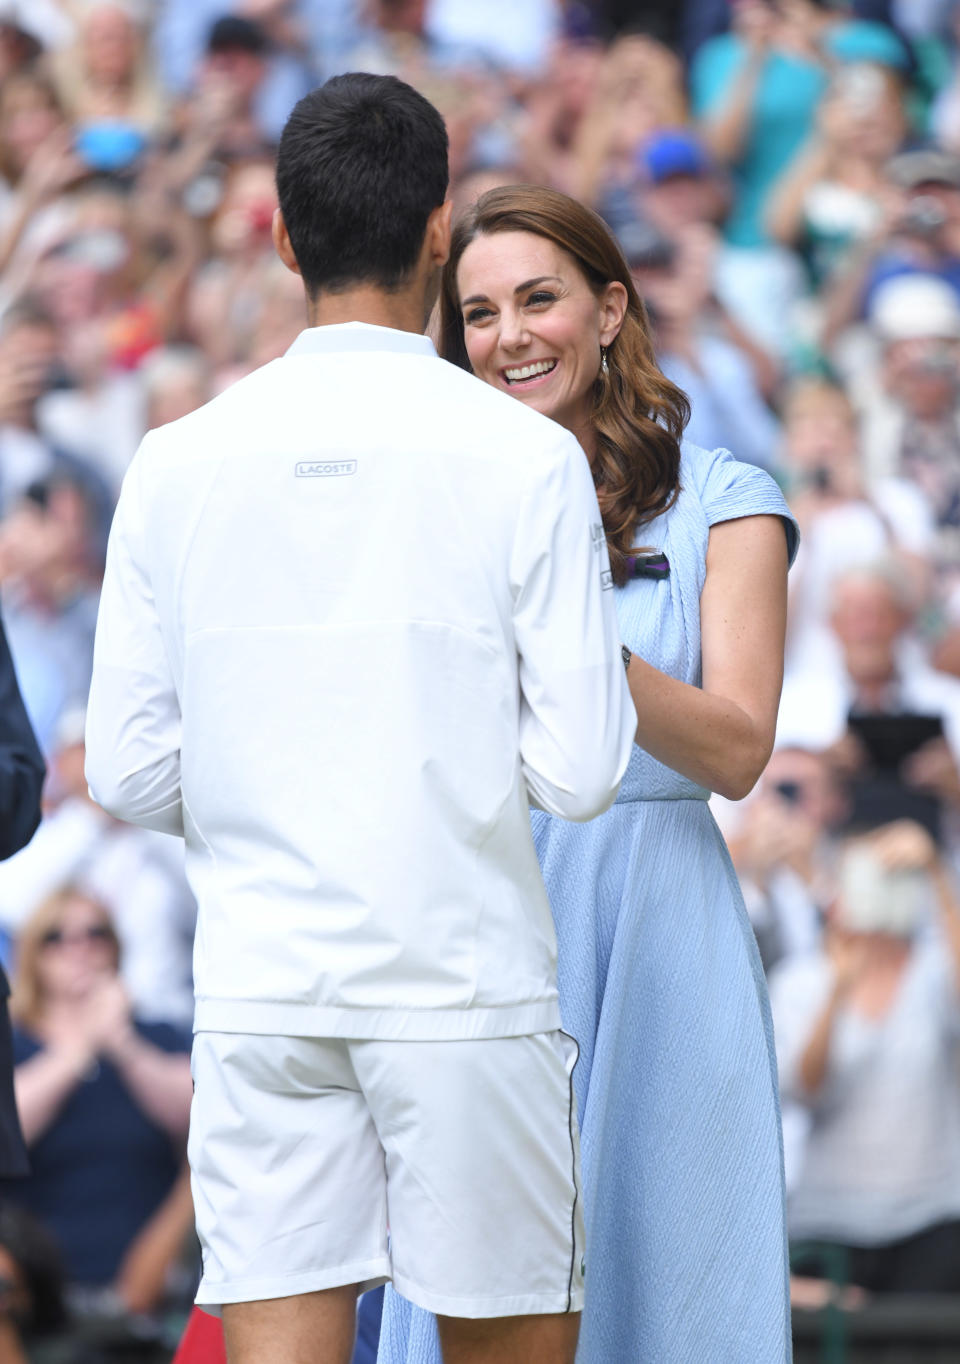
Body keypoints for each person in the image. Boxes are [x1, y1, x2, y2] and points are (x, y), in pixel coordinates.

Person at [84, 74, 635, 1364]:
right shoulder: (523, 456)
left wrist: (275, 786)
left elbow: (122, 770)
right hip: (466, 986)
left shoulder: (175, 459)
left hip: (266, 989)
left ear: (282, 237)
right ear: (440, 234)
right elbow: (584, 769)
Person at [378, 184, 797, 1364]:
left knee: (670, 1287)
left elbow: (736, 745)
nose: (509, 334)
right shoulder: (435, 506)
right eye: (477, 311)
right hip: (484, 927)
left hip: (663, 935)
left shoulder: (727, 500)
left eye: (539, 298)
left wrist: (564, 628)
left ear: (609, 309)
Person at [770, 818, 960, 1294]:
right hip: (828, 1224)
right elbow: (804, 1091)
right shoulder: (801, 981)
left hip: (931, 1223)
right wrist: (839, 991)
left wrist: (935, 872)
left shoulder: (934, 971)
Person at [2, 887, 192, 1302]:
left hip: (154, 1286)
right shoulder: (13, 1045)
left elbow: (201, 1117)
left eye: (96, 933)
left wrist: (124, 1046)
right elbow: (7, 1129)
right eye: (57, 936)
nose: (80, 948)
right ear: (33, 952)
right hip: (39, 1297)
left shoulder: (157, 1036)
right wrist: (79, 1048)